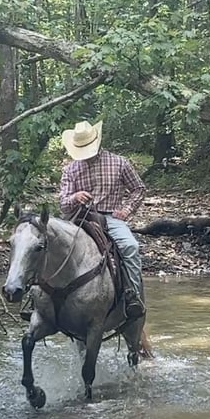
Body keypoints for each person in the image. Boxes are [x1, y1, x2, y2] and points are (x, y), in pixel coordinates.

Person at [59, 120, 146, 319]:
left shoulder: (119, 163)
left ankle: (133, 296)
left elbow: (138, 189)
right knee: (51, 243)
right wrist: (75, 197)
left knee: (130, 246)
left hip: (110, 216)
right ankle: (39, 299)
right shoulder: (70, 169)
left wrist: (126, 210)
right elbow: (63, 204)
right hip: (78, 216)